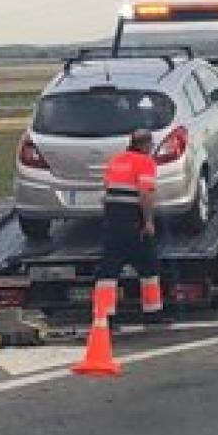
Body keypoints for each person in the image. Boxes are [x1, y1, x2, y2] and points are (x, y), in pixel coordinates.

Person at [93, 128, 165, 323]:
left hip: (112, 219)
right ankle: (152, 312)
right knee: (148, 265)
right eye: (150, 144)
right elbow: (146, 193)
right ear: (145, 145)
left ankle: (104, 314)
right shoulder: (145, 162)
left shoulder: (116, 160)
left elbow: (107, 189)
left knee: (108, 269)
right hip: (133, 218)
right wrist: (148, 221)